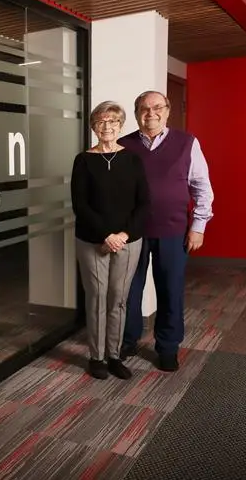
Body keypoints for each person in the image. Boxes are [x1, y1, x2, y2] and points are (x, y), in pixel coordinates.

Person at [118, 91, 214, 372]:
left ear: (168, 110)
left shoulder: (187, 143)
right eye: (144, 108)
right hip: (132, 232)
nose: (151, 113)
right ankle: (127, 340)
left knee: (170, 290)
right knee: (128, 290)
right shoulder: (123, 146)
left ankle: (168, 347)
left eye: (157, 107)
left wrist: (198, 227)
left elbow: (202, 188)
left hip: (173, 230)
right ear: (136, 113)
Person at [71, 101, 150, 380]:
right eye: (101, 122)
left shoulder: (133, 160)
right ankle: (97, 357)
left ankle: (114, 356)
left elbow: (143, 203)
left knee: (118, 299)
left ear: (121, 125)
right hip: (92, 241)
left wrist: (123, 236)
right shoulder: (83, 160)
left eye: (113, 121)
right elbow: (80, 205)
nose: (107, 127)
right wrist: (107, 235)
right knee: (96, 299)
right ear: (94, 127)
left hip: (128, 241)